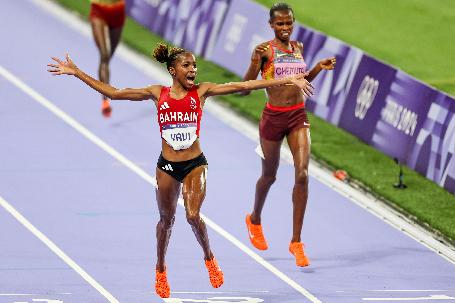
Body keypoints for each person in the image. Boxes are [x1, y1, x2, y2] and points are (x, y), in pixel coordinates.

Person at [47, 43, 314, 298]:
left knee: (193, 215)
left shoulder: (202, 91)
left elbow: (244, 84)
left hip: (195, 164)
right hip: (166, 166)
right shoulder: (156, 93)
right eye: (187, 65)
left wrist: (289, 81)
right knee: (166, 221)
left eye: (195, 66)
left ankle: (209, 257)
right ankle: (161, 269)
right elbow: (113, 93)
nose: (193, 70)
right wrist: (77, 72)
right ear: (173, 70)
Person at [242, 2, 336, 267]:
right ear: (271, 25)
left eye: (289, 23)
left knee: (303, 174)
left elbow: (302, 81)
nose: (285, 27)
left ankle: (296, 242)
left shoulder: (298, 48)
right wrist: (253, 62)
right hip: (273, 119)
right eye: (280, 24)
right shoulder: (263, 52)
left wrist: (317, 67)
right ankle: (254, 218)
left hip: (297, 116)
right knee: (269, 176)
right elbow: (245, 89)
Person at [89, 0, 126, 118]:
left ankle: (104, 81)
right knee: (104, 55)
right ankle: (105, 100)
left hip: (117, 13)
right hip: (99, 11)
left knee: (108, 57)